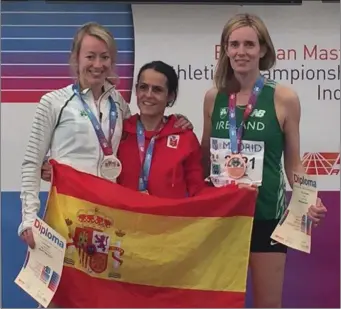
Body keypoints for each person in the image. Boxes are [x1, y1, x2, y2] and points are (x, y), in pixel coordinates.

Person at [19, 23, 192, 271]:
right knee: (57, 298)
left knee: (97, 297)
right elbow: (31, 164)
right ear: (76, 58)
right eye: (90, 56)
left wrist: (177, 122)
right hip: (63, 217)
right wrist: (28, 219)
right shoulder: (54, 102)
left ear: (112, 61)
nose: (97, 64)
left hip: (104, 220)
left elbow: (141, 133)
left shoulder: (119, 105)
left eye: (104, 57)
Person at [200, 13, 327, 308]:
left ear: (263, 50)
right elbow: (204, 156)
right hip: (222, 217)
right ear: (225, 49)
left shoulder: (284, 98)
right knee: (220, 303)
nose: (241, 52)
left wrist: (309, 200)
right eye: (234, 44)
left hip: (266, 214)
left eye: (249, 44)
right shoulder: (213, 98)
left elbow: (294, 163)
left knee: (268, 304)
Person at [117, 61, 206, 197]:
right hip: (125, 217)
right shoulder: (120, 132)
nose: (148, 95)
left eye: (157, 90)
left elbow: (197, 192)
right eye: (143, 87)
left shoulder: (185, 137)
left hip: (170, 218)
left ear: (170, 96)